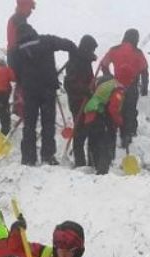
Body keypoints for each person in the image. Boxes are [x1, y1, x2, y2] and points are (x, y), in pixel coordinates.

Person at [10, 24, 75, 166]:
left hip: (29, 92)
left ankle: (28, 158)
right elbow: (68, 44)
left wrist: (24, 81)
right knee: (48, 123)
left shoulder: (16, 50)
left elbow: (14, 72)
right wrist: (74, 53)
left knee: (29, 125)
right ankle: (48, 155)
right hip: (47, 89)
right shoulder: (46, 40)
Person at [98, 28, 148, 147]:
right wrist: (145, 87)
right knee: (130, 110)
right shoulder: (138, 52)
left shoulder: (114, 50)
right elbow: (144, 71)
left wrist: (109, 77)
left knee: (116, 108)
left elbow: (103, 65)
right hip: (132, 85)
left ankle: (114, 132)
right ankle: (128, 135)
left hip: (116, 85)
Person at [79, 76, 125, 175]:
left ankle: (93, 166)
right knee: (104, 143)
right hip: (98, 115)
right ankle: (102, 170)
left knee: (93, 142)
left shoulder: (109, 84)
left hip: (89, 114)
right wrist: (119, 121)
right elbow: (113, 108)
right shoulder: (118, 89)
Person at [64, 35, 98, 167]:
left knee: (90, 131)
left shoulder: (85, 61)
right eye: (91, 49)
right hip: (78, 101)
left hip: (87, 100)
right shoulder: (75, 62)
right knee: (80, 132)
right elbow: (69, 83)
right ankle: (80, 162)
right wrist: (85, 90)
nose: (93, 52)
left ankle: (91, 162)